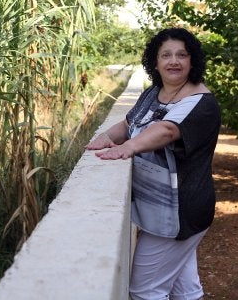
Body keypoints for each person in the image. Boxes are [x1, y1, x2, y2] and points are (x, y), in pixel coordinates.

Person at [86, 27, 220, 300]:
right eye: (166, 55)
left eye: (182, 55)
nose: (174, 61)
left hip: (179, 210)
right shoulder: (154, 93)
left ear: (192, 60)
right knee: (185, 290)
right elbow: (128, 123)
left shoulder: (201, 102)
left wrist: (127, 148)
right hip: (160, 207)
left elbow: (167, 131)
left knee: (145, 291)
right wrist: (105, 137)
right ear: (155, 62)